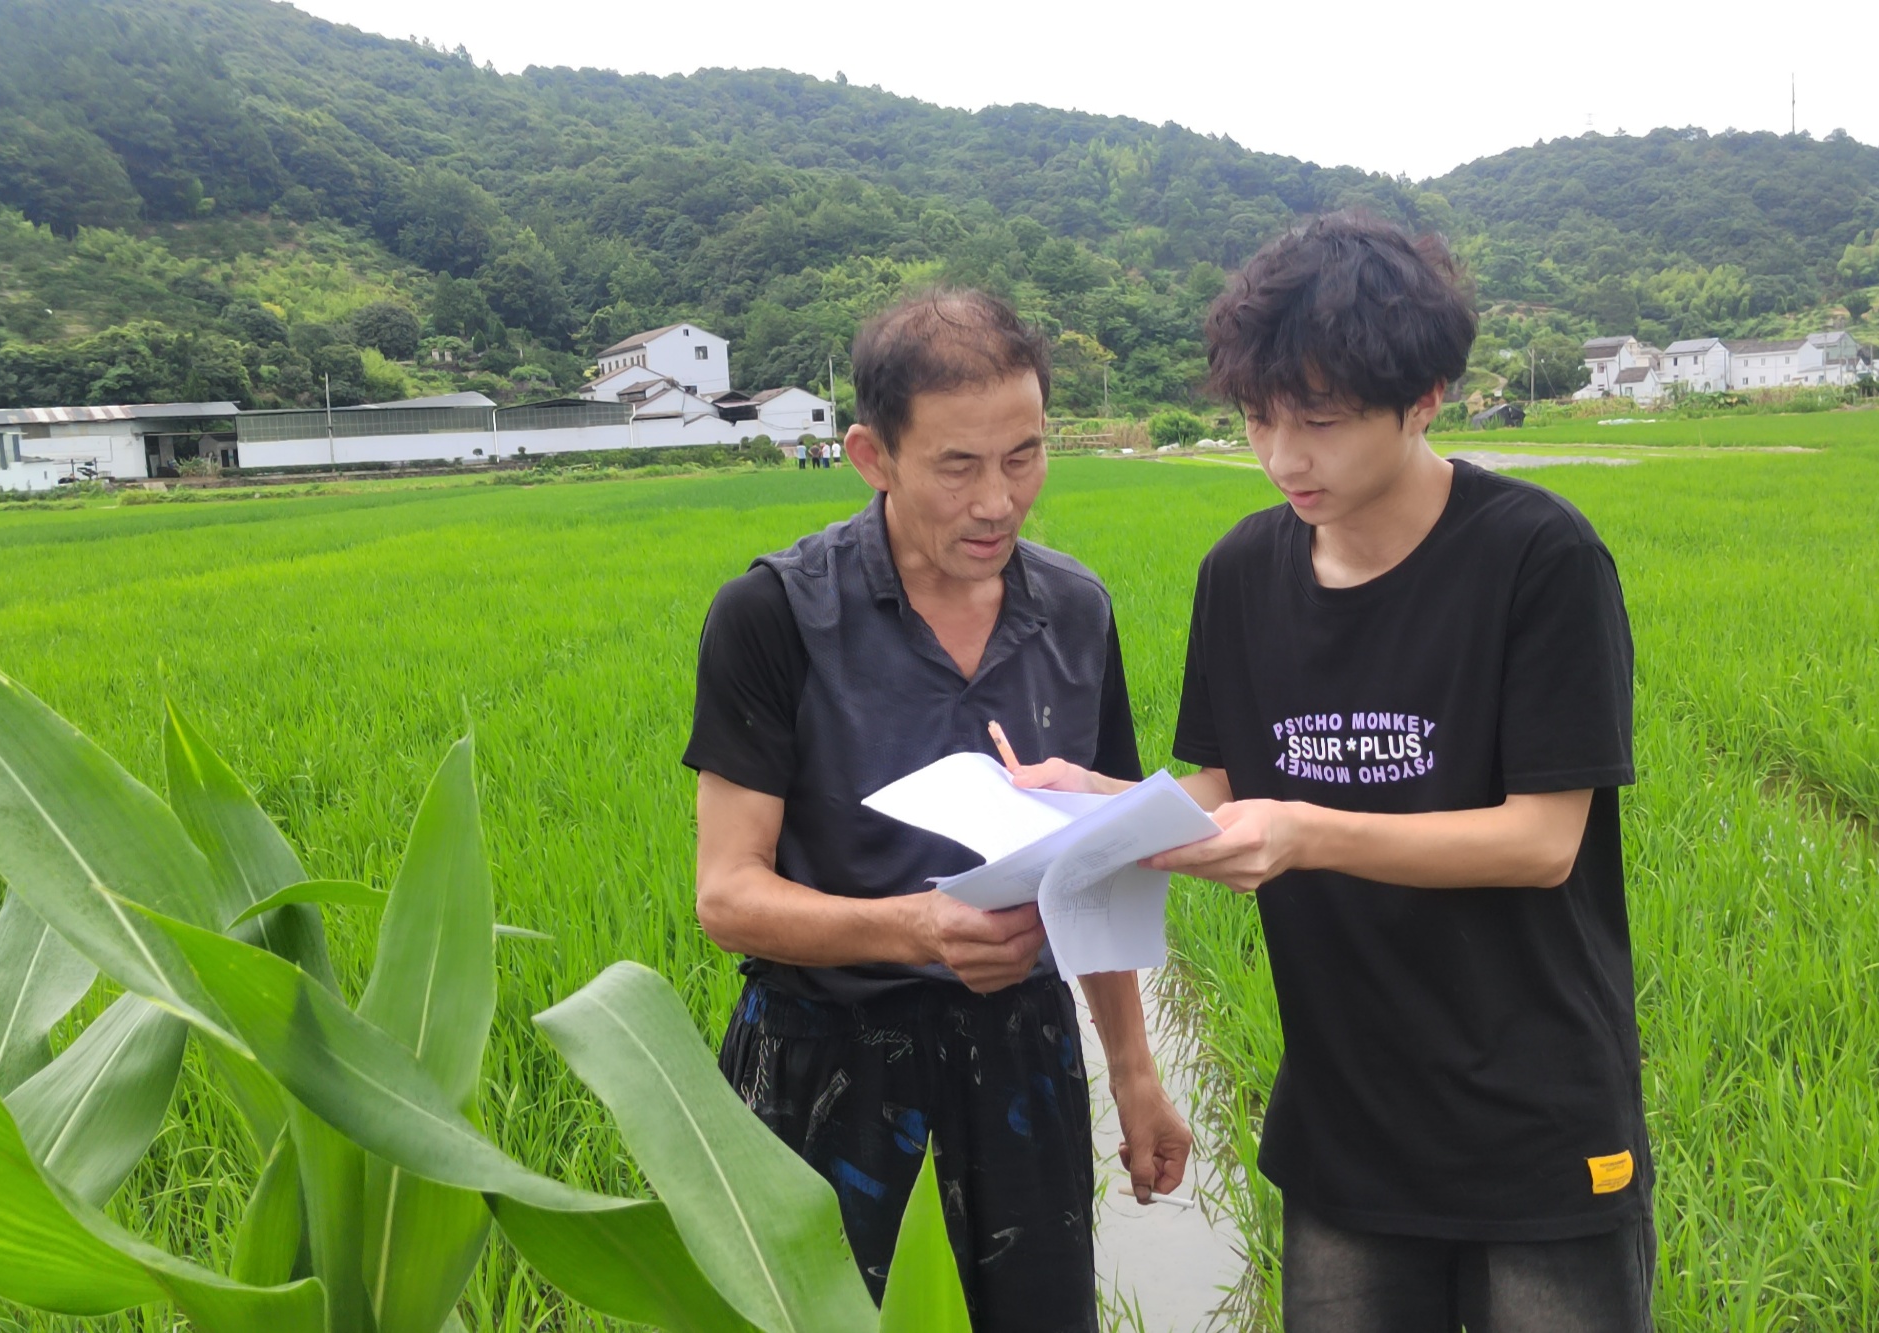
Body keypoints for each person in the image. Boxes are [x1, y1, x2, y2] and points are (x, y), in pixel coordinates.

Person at [1015, 213, 1654, 1332]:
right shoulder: (1239, 574)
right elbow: (1228, 788)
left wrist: (1309, 831)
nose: (1282, 458)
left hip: (1535, 1117)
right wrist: (1094, 801)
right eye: (1258, 419)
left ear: (1424, 399)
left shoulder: (1536, 557)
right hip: (1346, 1117)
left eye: (1317, 422)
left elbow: (1542, 839)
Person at [683, 289, 1191, 1333]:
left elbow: (1098, 860)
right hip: (827, 1062)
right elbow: (727, 896)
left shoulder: (1076, 611)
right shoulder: (773, 616)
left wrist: (1135, 1074)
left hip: (1021, 1060)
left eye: (1024, 455)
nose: (998, 501)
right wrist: (916, 927)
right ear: (872, 456)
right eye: (958, 465)